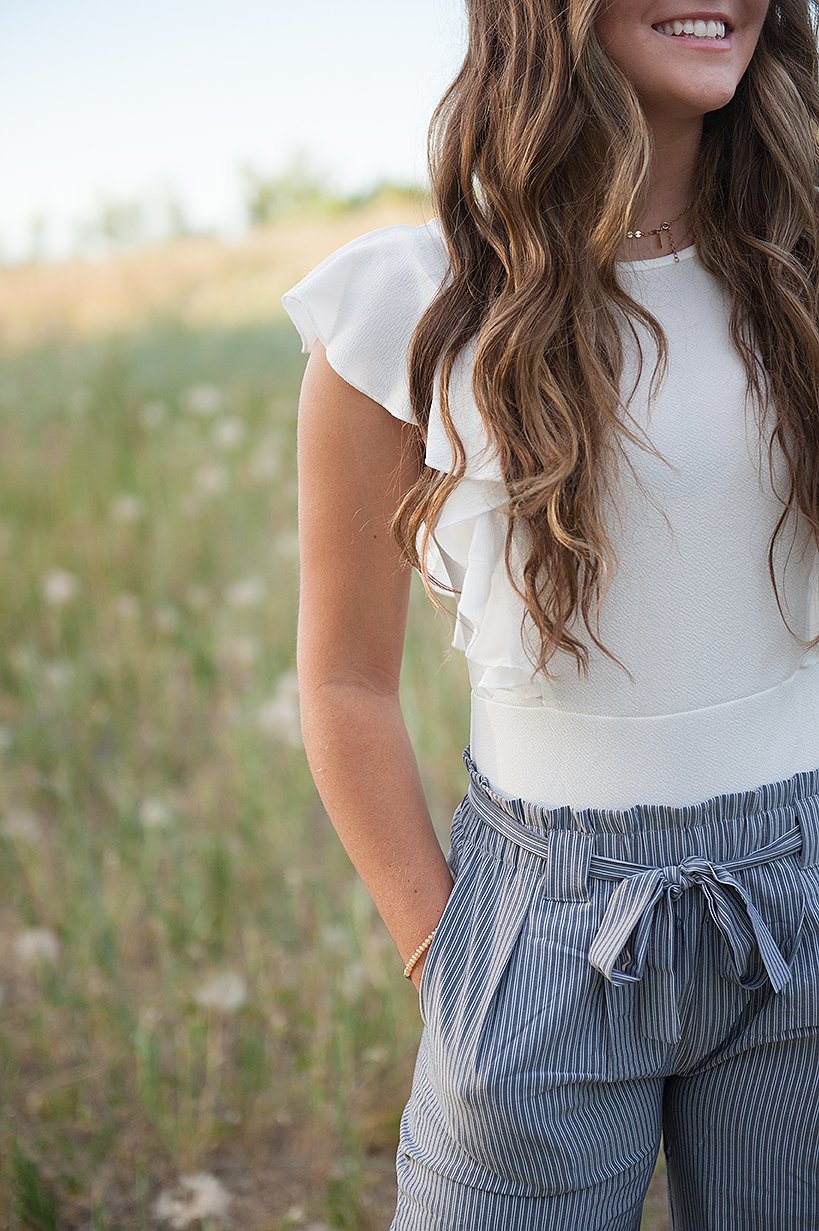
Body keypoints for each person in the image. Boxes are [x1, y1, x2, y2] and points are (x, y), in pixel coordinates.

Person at [280, 0, 819, 1224]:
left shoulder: (804, 274)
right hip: (541, 924)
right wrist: (447, 958)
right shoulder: (409, 308)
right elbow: (344, 681)